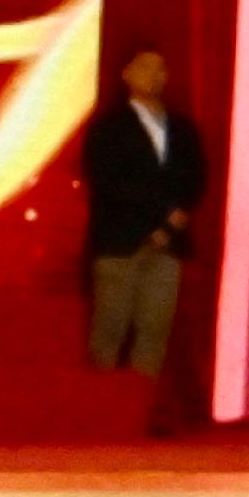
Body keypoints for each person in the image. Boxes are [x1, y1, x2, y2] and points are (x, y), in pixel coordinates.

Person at [78, 47, 205, 387]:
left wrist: (173, 222)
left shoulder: (182, 128)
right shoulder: (109, 127)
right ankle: (98, 410)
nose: (155, 75)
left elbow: (195, 178)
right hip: (120, 241)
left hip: (168, 246)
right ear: (126, 74)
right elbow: (108, 180)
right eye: (146, 67)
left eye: (161, 68)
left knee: (155, 328)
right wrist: (159, 219)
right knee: (110, 328)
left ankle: (139, 409)